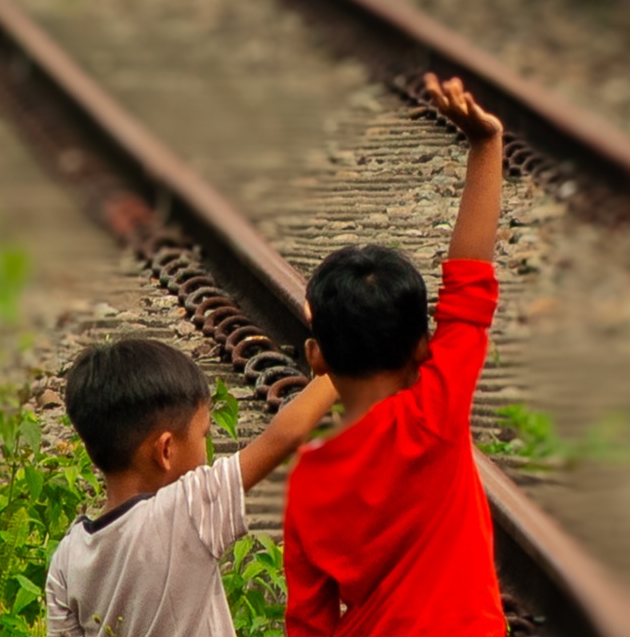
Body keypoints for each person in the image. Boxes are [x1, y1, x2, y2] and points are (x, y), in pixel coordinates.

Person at [276, 74, 508, 635]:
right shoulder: (433, 415)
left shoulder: (308, 483)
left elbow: (309, 624)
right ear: (423, 347)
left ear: (316, 359)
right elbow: (469, 287)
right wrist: (485, 144)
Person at [42, 337, 335, 637]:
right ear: (165, 450)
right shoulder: (187, 509)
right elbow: (284, 435)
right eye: (204, 434)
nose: (207, 447)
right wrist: (349, 357)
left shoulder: (66, 560)